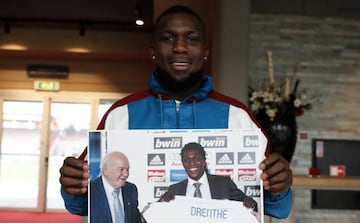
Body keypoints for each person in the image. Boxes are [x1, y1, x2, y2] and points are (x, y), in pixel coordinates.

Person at [59, 5, 293, 219]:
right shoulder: (121, 114)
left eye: (191, 39)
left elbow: (277, 208)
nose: (180, 47)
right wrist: (73, 186)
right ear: (153, 52)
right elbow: (82, 204)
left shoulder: (238, 116)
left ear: (205, 52)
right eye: (168, 38)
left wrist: (280, 186)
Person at [159, 142, 258, 211]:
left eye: (197, 159)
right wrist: (162, 202)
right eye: (187, 160)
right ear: (183, 163)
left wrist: (249, 203)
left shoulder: (224, 183)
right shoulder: (174, 189)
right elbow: (156, 212)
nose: (192, 163)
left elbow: (250, 205)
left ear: (204, 161)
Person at [90, 151, 144, 223]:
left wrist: (142, 218)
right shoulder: (91, 191)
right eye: (121, 169)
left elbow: (134, 219)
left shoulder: (131, 189)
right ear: (105, 170)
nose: (126, 174)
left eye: (127, 169)